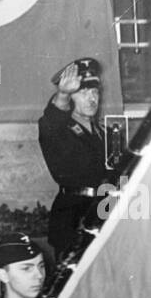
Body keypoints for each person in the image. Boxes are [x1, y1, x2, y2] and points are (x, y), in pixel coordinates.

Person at [38, 58, 117, 257]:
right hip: (73, 219)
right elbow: (52, 119)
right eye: (83, 92)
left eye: (95, 92)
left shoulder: (107, 133)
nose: (92, 99)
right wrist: (62, 94)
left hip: (105, 214)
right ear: (70, 98)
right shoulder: (58, 130)